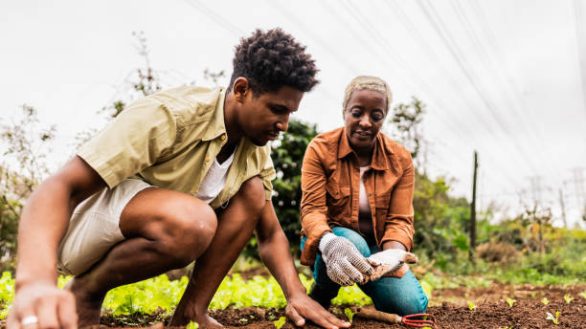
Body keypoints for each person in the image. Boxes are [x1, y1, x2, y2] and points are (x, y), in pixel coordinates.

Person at [8, 28, 351, 329]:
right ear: (242, 90)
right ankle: (84, 293)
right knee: (196, 221)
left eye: (290, 113)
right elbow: (59, 187)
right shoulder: (170, 115)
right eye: (277, 109)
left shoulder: (254, 151)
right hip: (84, 232)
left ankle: (191, 310)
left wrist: (296, 294)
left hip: (162, 226)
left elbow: (270, 232)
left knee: (253, 191)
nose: (284, 124)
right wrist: (35, 282)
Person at [299, 75, 429, 315]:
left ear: (384, 118)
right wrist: (330, 242)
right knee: (352, 242)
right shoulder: (320, 149)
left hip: (376, 247)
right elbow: (312, 211)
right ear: (344, 111)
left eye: (376, 116)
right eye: (357, 112)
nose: (366, 122)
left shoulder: (400, 159)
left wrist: (392, 253)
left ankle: (373, 280)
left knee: (409, 307)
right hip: (328, 240)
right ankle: (322, 293)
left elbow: (400, 219)